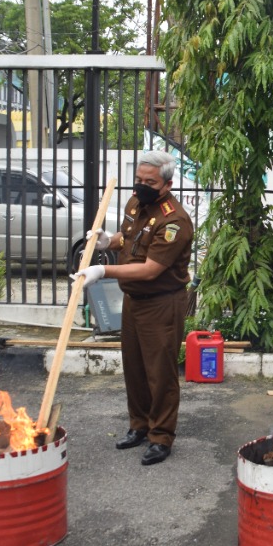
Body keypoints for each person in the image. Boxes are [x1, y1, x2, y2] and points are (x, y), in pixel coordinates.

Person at [73, 151, 193, 467]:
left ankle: (161, 436)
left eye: (149, 182)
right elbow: (128, 239)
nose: (141, 186)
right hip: (134, 301)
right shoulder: (135, 203)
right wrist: (105, 242)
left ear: (167, 184)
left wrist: (103, 272)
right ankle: (139, 425)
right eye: (139, 179)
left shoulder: (174, 220)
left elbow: (151, 269)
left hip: (162, 303)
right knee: (135, 368)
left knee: (160, 373)